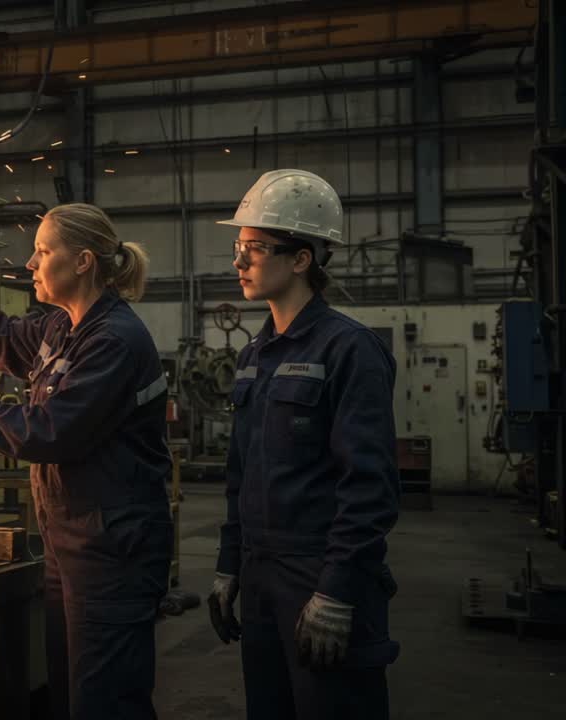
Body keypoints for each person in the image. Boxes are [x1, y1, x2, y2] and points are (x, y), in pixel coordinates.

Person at [0, 203, 172, 720]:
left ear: (84, 261)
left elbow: (50, 432)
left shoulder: (112, 341)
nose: (30, 264)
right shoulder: (61, 328)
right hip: (70, 544)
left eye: (43, 252)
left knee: (106, 702)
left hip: (112, 551)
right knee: (71, 694)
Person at [207, 170, 400, 720]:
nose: (239, 262)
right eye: (239, 248)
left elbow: (370, 486)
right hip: (262, 575)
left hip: (321, 574)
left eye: (255, 248)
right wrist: (229, 566)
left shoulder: (349, 350)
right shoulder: (253, 357)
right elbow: (240, 476)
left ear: (302, 258)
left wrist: (337, 590)